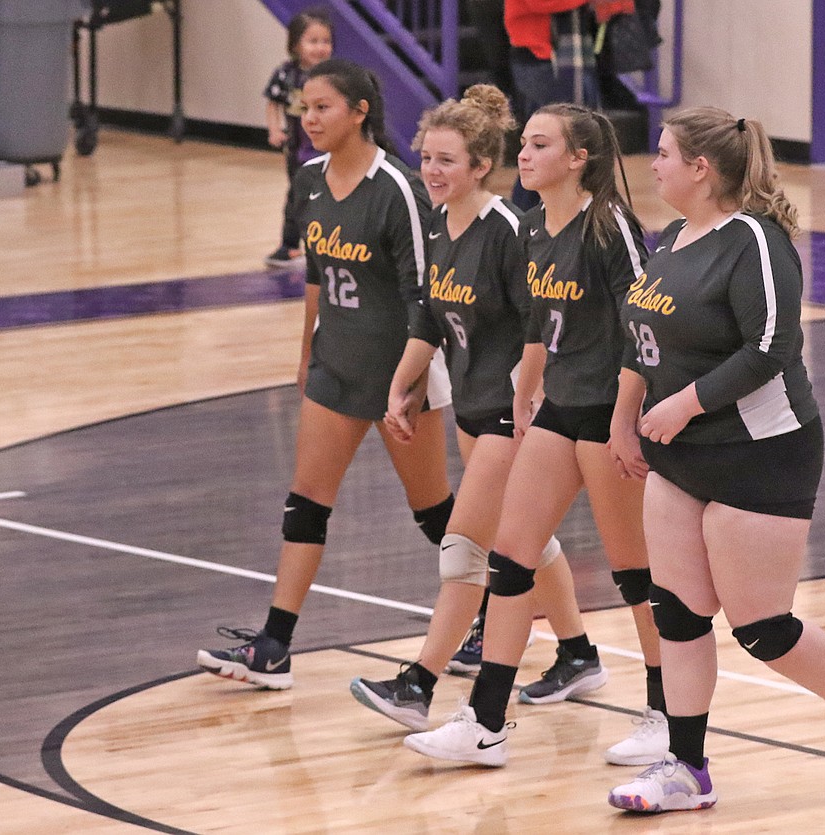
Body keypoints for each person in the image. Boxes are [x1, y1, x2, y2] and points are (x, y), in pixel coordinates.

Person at [606, 107, 825, 813]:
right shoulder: (676, 237)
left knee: (761, 627)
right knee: (676, 612)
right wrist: (625, 418)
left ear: (701, 168)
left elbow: (771, 346)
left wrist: (684, 404)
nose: (654, 166)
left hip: (761, 452)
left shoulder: (756, 242)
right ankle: (686, 766)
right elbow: (640, 335)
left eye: (664, 154)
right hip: (679, 456)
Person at [402, 103, 667, 768]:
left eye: (540, 144)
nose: (524, 153)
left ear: (578, 158)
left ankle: (666, 711)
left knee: (636, 573)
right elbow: (543, 324)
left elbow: (648, 323)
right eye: (523, 143)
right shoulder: (533, 230)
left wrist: (627, 418)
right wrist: (528, 384)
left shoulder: (608, 225)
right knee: (511, 556)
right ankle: (485, 721)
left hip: (610, 410)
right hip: (559, 405)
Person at [349, 85, 611, 732]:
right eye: (426, 159)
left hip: (512, 413)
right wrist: (402, 385)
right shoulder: (438, 224)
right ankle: (578, 653)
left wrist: (532, 395)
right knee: (522, 540)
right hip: (471, 406)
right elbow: (429, 316)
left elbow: (540, 321)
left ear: (479, 167)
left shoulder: (508, 232)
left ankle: (419, 682)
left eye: (446, 160)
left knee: (467, 548)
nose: (432, 172)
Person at [197, 59, 455, 689]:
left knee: (439, 516)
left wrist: (411, 386)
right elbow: (315, 276)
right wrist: (306, 353)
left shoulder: (397, 188)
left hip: (401, 376)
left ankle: (495, 615)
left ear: (360, 111)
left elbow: (428, 296)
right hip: (336, 368)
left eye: (322, 108)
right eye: (304, 109)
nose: (308, 120)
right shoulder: (310, 179)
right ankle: (274, 648)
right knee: (305, 505)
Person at [504, 0, 599, 210]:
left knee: (565, 140)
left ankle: (557, 210)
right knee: (541, 142)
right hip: (538, 58)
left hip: (558, 59)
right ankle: (522, 213)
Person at [262, 8, 334, 268]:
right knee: (296, 197)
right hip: (297, 150)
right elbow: (273, 102)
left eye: (326, 41)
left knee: (330, 199)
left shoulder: (333, 77)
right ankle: (290, 245)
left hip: (327, 151)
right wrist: (274, 129)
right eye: (313, 41)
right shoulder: (286, 74)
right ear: (295, 44)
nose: (320, 48)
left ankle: (328, 247)